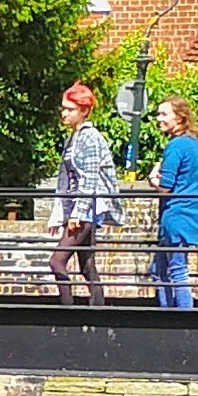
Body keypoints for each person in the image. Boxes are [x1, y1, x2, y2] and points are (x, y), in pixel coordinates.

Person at [50, 84, 122, 302]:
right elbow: (66, 181)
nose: (64, 113)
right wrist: (60, 214)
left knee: (56, 261)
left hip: (88, 211)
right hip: (79, 210)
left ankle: (68, 311)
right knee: (87, 266)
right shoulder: (73, 138)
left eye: (70, 109)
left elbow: (89, 178)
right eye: (63, 108)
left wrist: (77, 214)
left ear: (84, 111)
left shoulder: (90, 137)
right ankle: (96, 310)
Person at [149, 98, 198, 311]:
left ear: (179, 117)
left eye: (164, 114)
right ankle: (169, 314)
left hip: (176, 215)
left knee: (176, 269)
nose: (159, 119)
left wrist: (152, 179)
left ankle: (181, 318)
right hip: (192, 214)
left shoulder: (176, 146)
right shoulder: (196, 144)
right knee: (159, 268)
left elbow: (166, 186)